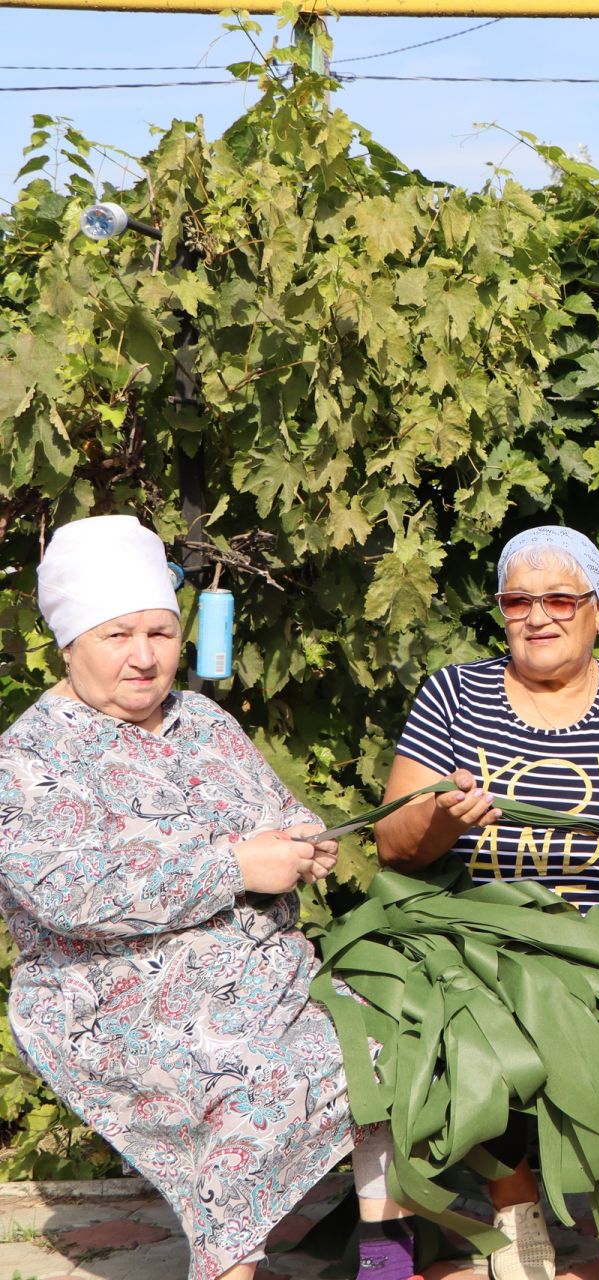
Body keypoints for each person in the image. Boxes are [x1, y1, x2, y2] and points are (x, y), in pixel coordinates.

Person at [0, 515, 413, 1280]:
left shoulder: (205, 722)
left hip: (261, 973)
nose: (146, 656)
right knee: (256, 1078)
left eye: (159, 632)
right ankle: (230, 1268)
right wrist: (234, 867)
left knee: (388, 1033)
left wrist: (303, 842)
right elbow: (71, 895)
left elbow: (274, 817)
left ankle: (389, 1263)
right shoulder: (29, 755)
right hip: (111, 995)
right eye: (117, 636)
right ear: (70, 643)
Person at [375, 524, 599, 1280]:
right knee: (469, 1022)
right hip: (475, 934)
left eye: (562, 598)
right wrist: (439, 818)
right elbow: (393, 844)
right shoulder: (453, 694)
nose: (539, 616)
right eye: (519, 600)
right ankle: (514, 1198)